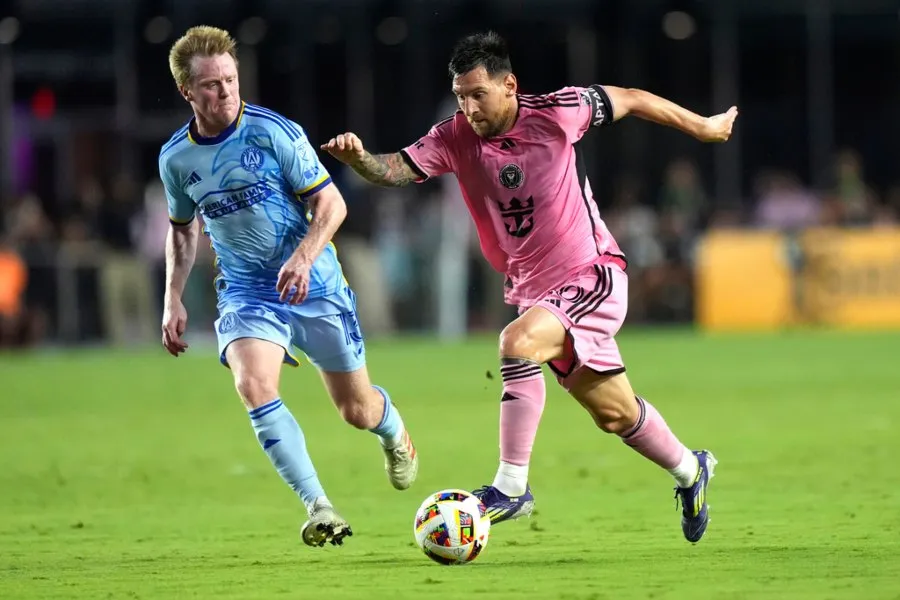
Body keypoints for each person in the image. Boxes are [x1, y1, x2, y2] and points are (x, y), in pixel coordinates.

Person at [322, 31, 738, 544]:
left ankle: (511, 486)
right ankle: (691, 470)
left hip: (591, 274)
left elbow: (630, 98)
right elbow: (397, 169)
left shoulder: (559, 112)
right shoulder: (453, 136)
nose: (468, 106)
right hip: (536, 292)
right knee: (615, 414)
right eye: (460, 96)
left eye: (477, 94)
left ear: (509, 85)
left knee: (515, 344)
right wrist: (361, 160)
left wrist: (703, 127)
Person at [158, 26, 418, 548]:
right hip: (247, 291)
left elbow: (332, 204)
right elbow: (183, 230)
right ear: (188, 92)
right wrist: (172, 298)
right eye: (210, 85)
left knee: (356, 411)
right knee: (252, 384)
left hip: (314, 283)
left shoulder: (273, 132)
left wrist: (302, 258)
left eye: (230, 79)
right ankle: (319, 506)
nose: (226, 91)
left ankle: (393, 432)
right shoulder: (176, 160)